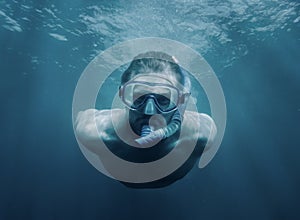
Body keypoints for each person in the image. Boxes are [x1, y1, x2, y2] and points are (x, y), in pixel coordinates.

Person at [75, 51, 217, 188]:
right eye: (139, 97)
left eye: (163, 99)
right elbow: (82, 118)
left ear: (181, 103)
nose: (149, 111)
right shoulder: (94, 132)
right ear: (122, 95)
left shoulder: (201, 135)